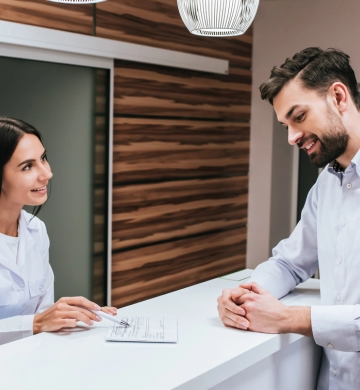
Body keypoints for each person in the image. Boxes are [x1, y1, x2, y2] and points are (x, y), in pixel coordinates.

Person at [217, 47, 360, 389]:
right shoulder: (327, 183)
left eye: (299, 117)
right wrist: (245, 295)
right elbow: (290, 262)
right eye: (286, 125)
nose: (292, 137)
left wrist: (289, 318)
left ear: (338, 96)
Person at [0, 117, 117, 345]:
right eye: (27, 166)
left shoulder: (36, 230)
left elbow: (44, 318)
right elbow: (38, 323)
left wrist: (72, 318)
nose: (46, 174)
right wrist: (35, 323)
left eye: (43, 158)